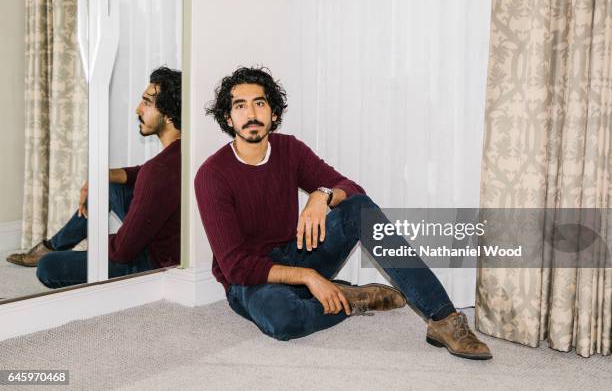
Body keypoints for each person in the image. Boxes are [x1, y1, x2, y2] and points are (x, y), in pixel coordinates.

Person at [194, 66, 492, 360]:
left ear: (273, 114)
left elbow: (351, 188)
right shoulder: (212, 175)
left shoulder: (289, 150)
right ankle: (351, 299)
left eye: (259, 103)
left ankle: (444, 318)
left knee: (358, 209)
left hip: (296, 252)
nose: (251, 114)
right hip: (251, 280)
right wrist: (309, 276)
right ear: (228, 117)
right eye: (240, 106)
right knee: (282, 319)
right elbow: (236, 267)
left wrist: (321, 195)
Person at [7, 67, 182, 289]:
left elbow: (122, 250)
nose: (138, 109)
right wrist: (102, 176)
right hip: (170, 243)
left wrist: (98, 241)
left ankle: (51, 252)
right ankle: (54, 245)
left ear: (168, 115)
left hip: (153, 261)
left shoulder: (157, 171)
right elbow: (146, 173)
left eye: (147, 103)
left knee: (48, 267)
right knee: (108, 187)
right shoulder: (182, 153)